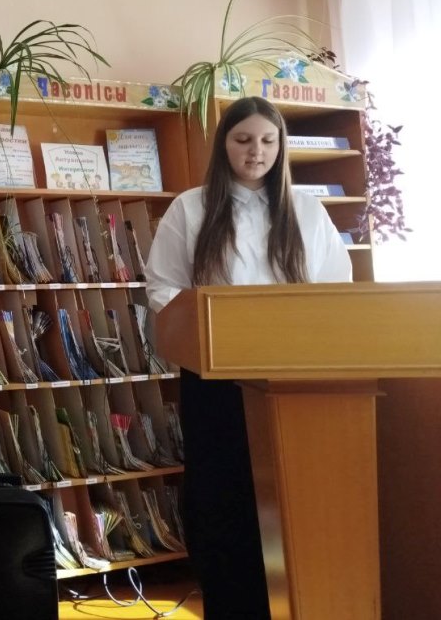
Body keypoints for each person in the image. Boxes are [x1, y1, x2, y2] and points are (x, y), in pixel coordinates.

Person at [144, 96, 352, 619]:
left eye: (266, 141)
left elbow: (336, 287)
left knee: (288, 492)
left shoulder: (306, 210)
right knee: (222, 495)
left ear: (281, 147)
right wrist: (207, 328)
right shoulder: (191, 207)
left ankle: (295, 600)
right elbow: (164, 287)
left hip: (292, 377)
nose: (255, 151)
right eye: (242, 140)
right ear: (224, 145)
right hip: (216, 376)